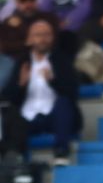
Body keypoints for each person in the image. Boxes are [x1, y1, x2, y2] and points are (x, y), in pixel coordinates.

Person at [3, 18, 79, 165]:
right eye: (38, 35)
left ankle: (61, 152)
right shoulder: (22, 62)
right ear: (29, 39)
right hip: (28, 117)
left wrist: (53, 81)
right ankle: (16, 158)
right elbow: (8, 97)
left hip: (53, 116)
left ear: (52, 38)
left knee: (64, 103)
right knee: (12, 114)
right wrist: (20, 84)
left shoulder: (61, 60)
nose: (42, 39)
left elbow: (72, 93)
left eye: (46, 34)